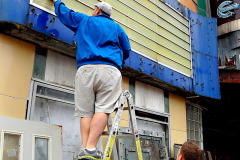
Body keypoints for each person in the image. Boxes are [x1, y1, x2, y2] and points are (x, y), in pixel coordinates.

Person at [52, 0, 131, 159]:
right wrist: (116, 59)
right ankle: (91, 148)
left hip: (86, 69)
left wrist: (57, 1)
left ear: (97, 10)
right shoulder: (117, 28)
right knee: (102, 110)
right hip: (110, 70)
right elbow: (127, 50)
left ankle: (85, 149)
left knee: (85, 112)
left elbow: (66, 14)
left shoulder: (84, 20)